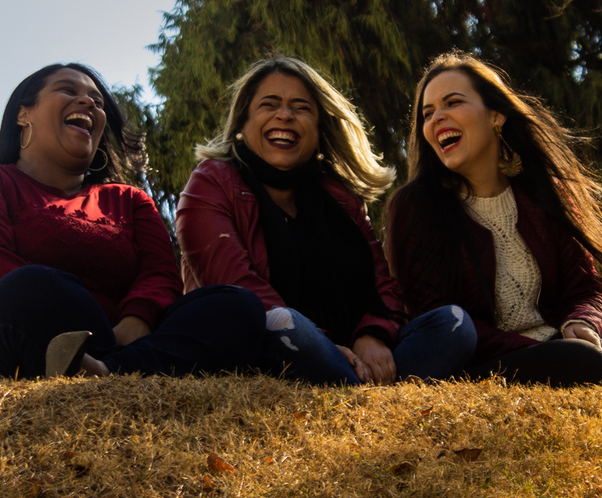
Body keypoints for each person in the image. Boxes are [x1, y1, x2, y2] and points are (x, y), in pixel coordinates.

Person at [386, 52, 602, 391]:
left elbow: (583, 287)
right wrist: (544, 350)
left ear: (496, 116)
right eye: (427, 114)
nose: (437, 118)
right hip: (480, 364)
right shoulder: (416, 207)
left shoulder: (545, 195)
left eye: (452, 103)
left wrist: (581, 322)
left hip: (563, 349)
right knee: (580, 363)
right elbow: (436, 316)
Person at [0, 63, 265, 380]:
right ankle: (106, 364)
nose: (87, 101)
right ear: (22, 114)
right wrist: (88, 324)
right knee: (32, 284)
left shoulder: (129, 200)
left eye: (97, 100)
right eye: (67, 90)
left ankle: (103, 370)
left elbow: (159, 276)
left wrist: (135, 323)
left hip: (121, 348)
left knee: (235, 305)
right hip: (0, 350)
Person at [175, 56, 476, 385]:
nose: (285, 115)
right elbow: (237, 287)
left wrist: (372, 336)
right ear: (242, 125)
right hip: (268, 345)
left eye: (301, 107)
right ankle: (363, 391)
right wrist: (325, 345)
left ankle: (355, 389)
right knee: (283, 322)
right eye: (269, 104)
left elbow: (383, 286)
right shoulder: (210, 183)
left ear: (320, 130)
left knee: (454, 324)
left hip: (348, 351)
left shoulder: (340, 197)